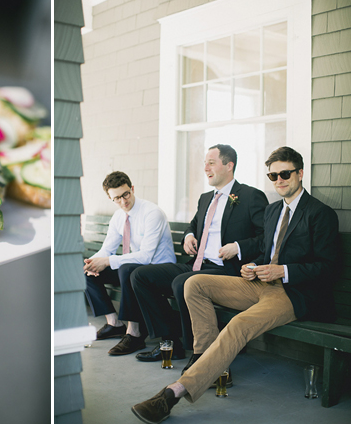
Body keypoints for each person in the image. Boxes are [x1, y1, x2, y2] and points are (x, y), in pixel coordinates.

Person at [131, 146, 340, 424]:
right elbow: (266, 252)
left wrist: (283, 271)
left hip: (293, 293)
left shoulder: (320, 213)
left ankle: (173, 393)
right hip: (260, 284)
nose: (279, 180)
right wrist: (252, 266)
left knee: (238, 325)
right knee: (193, 284)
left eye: (285, 173)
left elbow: (328, 269)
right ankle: (208, 361)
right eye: (273, 175)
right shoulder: (273, 210)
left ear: (300, 174)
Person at [131, 144, 267, 363]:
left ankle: (200, 352)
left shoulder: (251, 196)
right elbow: (193, 226)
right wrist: (188, 236)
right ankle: (170, 341)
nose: (205, 168)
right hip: (197, 263)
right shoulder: (206, 198)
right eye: (205, 163)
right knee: (140, 276)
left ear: (229, 165)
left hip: (226, 270)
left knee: (182, 283)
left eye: (211, 163)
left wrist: (238, 247)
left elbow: (266, 238)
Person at [84, 171, 176, 356]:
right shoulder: (119, 217)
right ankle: (114, 323)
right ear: (111, 198)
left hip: (160, 269)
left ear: (132, 189)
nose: (123, 201)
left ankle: (134, 333)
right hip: (135, 267)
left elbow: (146, 257)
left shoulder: (152, 213)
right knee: (86, 270)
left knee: (126, 269)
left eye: (125, 194)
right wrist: (92, 263)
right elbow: (106, 249)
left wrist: (108, 261)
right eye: (117, 198)